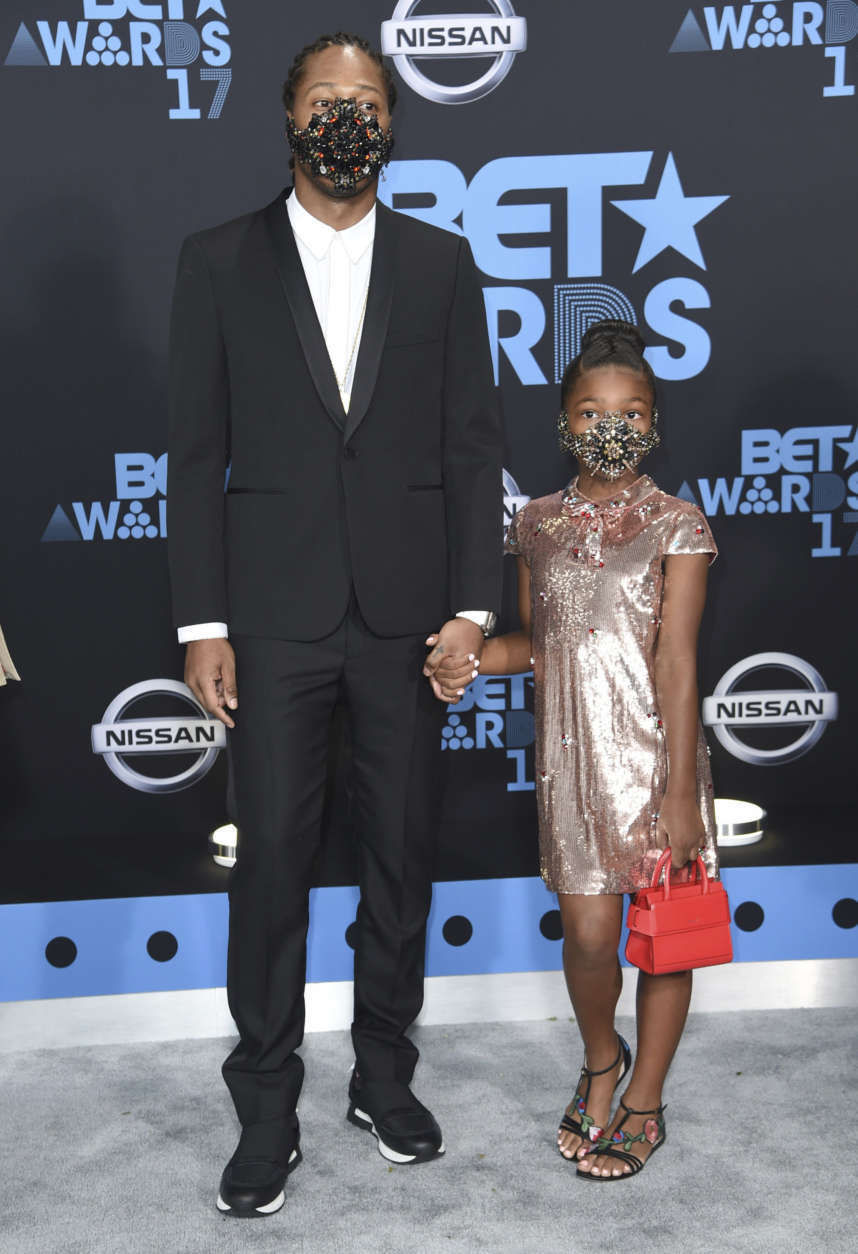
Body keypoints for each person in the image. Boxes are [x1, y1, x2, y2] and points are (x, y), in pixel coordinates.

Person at [167, 32, 502, 1217]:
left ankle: (384, 1078)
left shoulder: (444, 263)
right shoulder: (216, 261)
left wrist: (471, 609)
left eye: (368, 99)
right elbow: (197, 453)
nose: (347, 116)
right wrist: (202, 623)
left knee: (401, 860)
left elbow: (471, 451)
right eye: (326, 99)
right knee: (271, 873)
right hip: (271, 621)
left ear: (395, 124)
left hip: (410, 624)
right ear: (289, 117)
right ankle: (265, 1109)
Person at [428, 319, 718, 1180]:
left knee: (666, 938)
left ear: (657, 419)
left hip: (657, 764)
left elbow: (677, 662)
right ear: (563, 422)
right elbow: (537, 645)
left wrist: (676, 791)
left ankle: (645, 1101)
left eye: (631, 409)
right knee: (590, 937)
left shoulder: (678, 524)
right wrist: (470, 657)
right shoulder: (537, 524)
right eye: (590, 411)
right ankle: (603, 1062)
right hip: (573, 767)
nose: (610, 425)